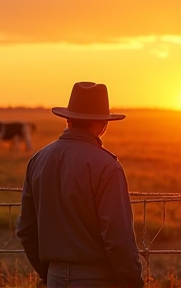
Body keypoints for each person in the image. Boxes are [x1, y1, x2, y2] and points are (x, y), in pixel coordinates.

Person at [16, 81, 144, 288]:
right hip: (98, 278)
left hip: (54, 277)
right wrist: (132, 282)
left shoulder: (38, 160)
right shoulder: (107, 166)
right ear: (103, 125)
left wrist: (48, 272)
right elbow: (118, 238)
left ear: (67, 120)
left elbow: (26, 229)